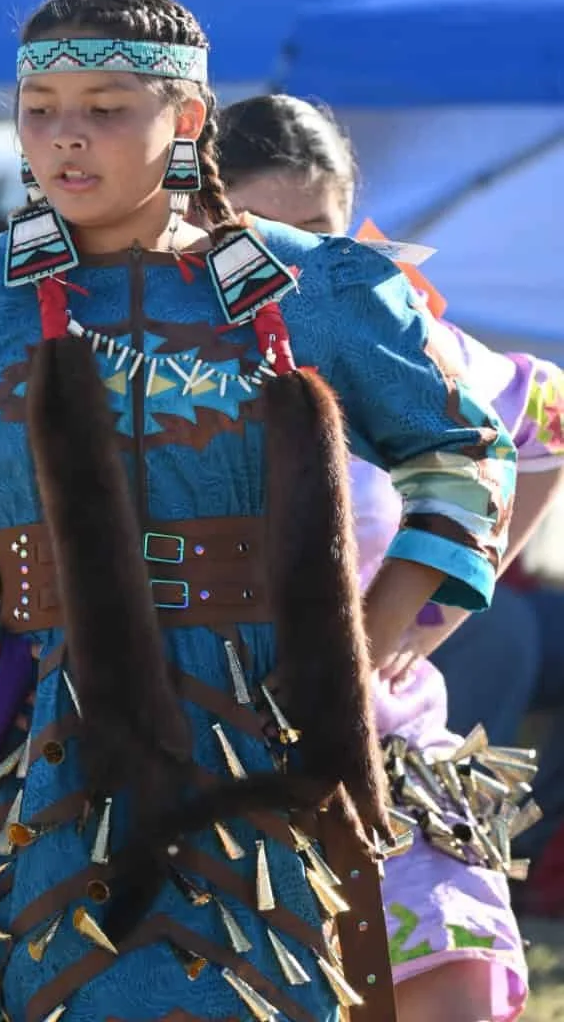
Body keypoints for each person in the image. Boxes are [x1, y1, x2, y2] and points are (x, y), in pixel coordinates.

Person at [0, 0, 515, 1022]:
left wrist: (359, 644)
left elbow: (467, 456)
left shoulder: (317, 290)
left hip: (265, 727)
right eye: (40, 107)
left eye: (105, 108)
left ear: (187, 120)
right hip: (44, 731)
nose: (66, 137)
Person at [217, 92, 564, 1022]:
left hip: (383, 756)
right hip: (192, 759)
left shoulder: (402, 334)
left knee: (443, 987)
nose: (299, 264)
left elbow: (544, 421)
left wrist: (430, 611)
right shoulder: (140, 344)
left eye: (322, 231)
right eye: (263, 232)